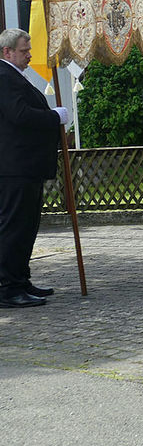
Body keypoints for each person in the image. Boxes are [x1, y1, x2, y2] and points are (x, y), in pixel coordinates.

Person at [0, 28, 69, 308]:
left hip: (24, 166)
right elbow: (19, 115)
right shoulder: (4, 77)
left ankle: (20, 279)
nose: (29, 55)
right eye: (24, 50)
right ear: (7, 52)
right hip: (14, 166)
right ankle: (7, 287)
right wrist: (52, 116)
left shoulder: (14, 76)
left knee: (27, 226)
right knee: (14, 227)